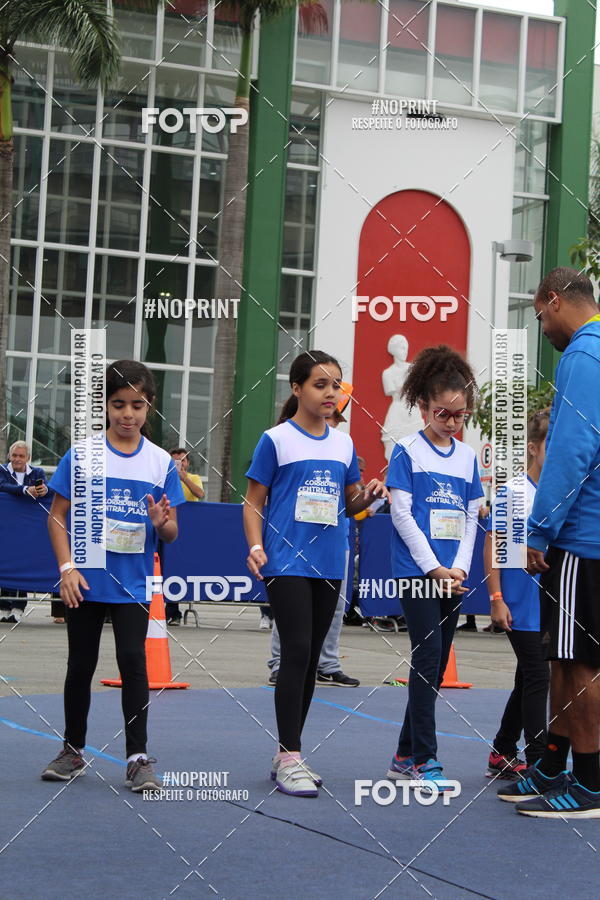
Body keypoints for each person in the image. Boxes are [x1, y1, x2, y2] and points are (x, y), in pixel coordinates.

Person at [244, 350, 388, 797]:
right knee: (297, 649)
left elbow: (349, 504)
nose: (330, 394)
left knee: (308, 661)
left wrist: (368, 496)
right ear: (297, 389)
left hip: (331, 561)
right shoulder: (276, 440)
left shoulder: (344, 444)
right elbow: (254, 501)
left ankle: (289, 753)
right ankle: (291, 756)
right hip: (286, 561)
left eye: (336, 385)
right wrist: (254, 546)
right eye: (320, 385)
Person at [40, 360, 185, 791]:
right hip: (85, 581)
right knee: (80, 665)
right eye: (119, 404)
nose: (127, 414)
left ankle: (138, 758)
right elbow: (57, 516)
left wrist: (161, 524)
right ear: (105, 406)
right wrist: (67, 568)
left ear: (150, 407)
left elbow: (173, 532)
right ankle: (72, 750)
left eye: (137, 405)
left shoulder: (161, 463)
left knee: (133, 663)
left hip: (133, 585)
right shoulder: (82, 454)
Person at [499, 267, 600, 818]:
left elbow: (570, 451)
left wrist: (538, 529)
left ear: (554, 301)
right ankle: (554, 765)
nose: (542, 330)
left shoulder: (583, 355)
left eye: (539, 317)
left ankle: (588, 781)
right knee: (564, 659)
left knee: (579, 664)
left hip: (583, 536)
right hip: (586, 534)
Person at [385, 345, 484, 791]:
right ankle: (425, 757)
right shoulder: (406, 452)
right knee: (426, 656)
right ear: (423, 405)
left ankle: (404, 754)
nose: (451, 422)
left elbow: (470, 518)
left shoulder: (466, 458)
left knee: (437, 662)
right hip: (417, 572)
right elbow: (402, 515)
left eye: (459, 415)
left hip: (453, 577)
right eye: (442, 413)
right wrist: (433, 569)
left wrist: (458, 569)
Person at [266, 407, 361, 687]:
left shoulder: (342, 447)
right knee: (292, 611)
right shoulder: (284, 442)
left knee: (335, 608)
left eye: (336, 420)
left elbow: (351, 498)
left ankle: (327, 664)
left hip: (333, 543)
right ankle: (279, 662)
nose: (332, 424)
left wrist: (367, 496)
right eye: (331, 418)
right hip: (293, 545)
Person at [485, 410, 550, 779]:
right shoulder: (514, 493)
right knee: (538, 676)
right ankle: (539, 758)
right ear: (533, 448)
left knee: (528, 677)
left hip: (549, 604)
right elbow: (493, 545)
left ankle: (503, 750)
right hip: (517, 602)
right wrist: (496, 598)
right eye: (550, 446)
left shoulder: (563, 493)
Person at [0, 441, 49, 623]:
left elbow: (46, 489)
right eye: (14, 456)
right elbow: (2, 486)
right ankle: (4, 606)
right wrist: (24, 490)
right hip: (6, 527)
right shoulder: (2, 470)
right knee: (6, 562)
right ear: (9, 456)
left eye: (21, 456)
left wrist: (44, 490)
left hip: (28, 528)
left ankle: (18, 607)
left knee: (24, 562)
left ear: (28, 458)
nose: (17, 459)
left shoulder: (38, 473)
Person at [166, 448, 204, 625]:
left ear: (187, 463)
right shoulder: (165, 477)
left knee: (182, 567)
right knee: (167, 566)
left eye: (182, 461)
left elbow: (200, 494)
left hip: (189, 529)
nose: (179, 464)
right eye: (175, 461)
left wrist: (184, 478)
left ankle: (174, 611)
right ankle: (171, 611)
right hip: (168, 527)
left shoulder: (193, 478)